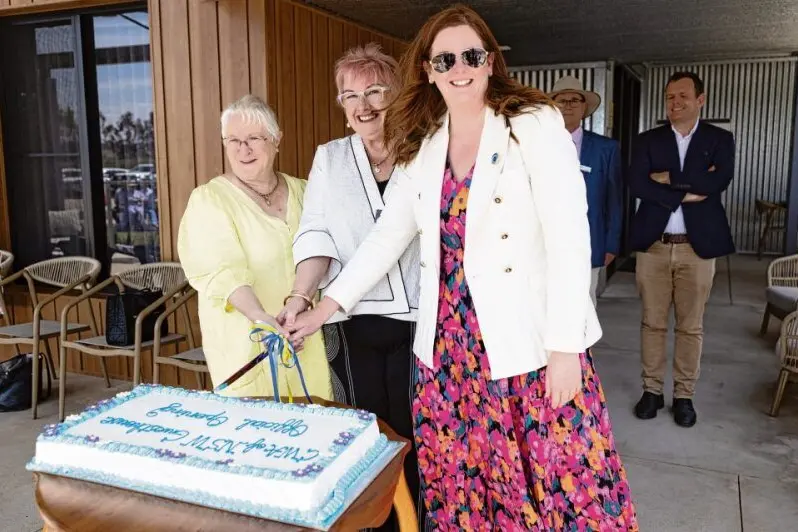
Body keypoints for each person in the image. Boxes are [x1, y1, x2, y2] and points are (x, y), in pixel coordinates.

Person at [288, 5, 637, 530]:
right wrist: (325, 308)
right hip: (449, 350)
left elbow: (570, 236)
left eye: (471, 55)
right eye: (444, 58)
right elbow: (387, 236)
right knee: (466, 484)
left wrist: (567, 348)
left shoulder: (532, 124)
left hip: (526, 343)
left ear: (490, 62)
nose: (459, 67)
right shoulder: (425, 141)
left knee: (552, 484)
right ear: (428, 69)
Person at [278, 44, 422, 527]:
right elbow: (316, 233)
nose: (363, 105)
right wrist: (300, 296)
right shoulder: (331, 158)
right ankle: (375, 523)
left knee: (414, 433)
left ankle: (416, 520)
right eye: (349, 95)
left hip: (421, 321)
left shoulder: (426, 148)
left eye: (375, 91)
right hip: (351, 320)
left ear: (398, 94)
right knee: (366, 434)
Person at [177, 95, 332, 399]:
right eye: (233, 140)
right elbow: (223, 272)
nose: (243, 149)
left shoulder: (305, 191)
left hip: (307, 336)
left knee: (317, 429)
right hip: (248, 344)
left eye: (254, 138)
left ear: (276, 140)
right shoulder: (209, 200)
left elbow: (326, 251)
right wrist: (265, 321)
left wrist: (299, 312)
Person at [629, 71, 735, 427]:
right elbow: (637, 184)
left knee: (691, 327)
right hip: (654, 247)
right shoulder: (648, 140)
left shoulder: (720, 139)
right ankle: (652, 390)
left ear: (700, 99)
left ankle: (684, 395)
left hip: (697, 248)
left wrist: (667, 179)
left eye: (683, 96)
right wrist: (689, 185)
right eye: (670, 96)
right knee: (652, 323)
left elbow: (717, 181)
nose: (675, 103)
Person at [549, 76, 623, 306]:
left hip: (590, 242)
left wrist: (611, 244)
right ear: (552, 107)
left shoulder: (606, 148)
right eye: (562, 100)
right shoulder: (537, 145)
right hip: (546, 244)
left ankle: (584, 345)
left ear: (584, 107)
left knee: (584, 309)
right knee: (546, 308)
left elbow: (615, 199)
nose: (568, 105)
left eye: (575, 100)